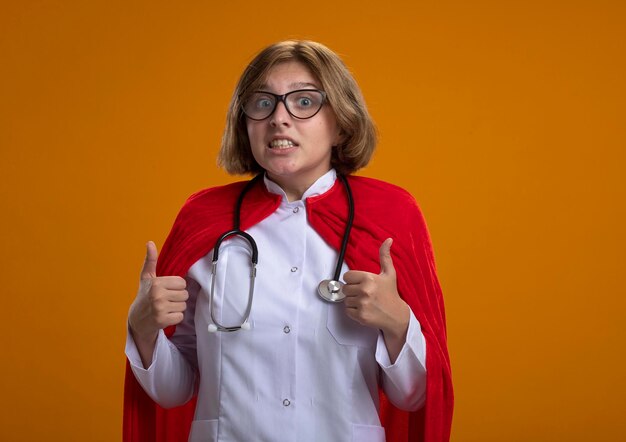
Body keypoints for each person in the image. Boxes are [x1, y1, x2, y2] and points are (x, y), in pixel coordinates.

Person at [123, 40, 453, 442]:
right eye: (263, 103)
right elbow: (174, 391)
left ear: (341, 122)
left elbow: (414, 398)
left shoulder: (391, 216)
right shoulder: (203, 219)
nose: (279, 118)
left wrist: (398, 324)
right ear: (245, 123)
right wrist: (143, 330)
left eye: (303, 101)